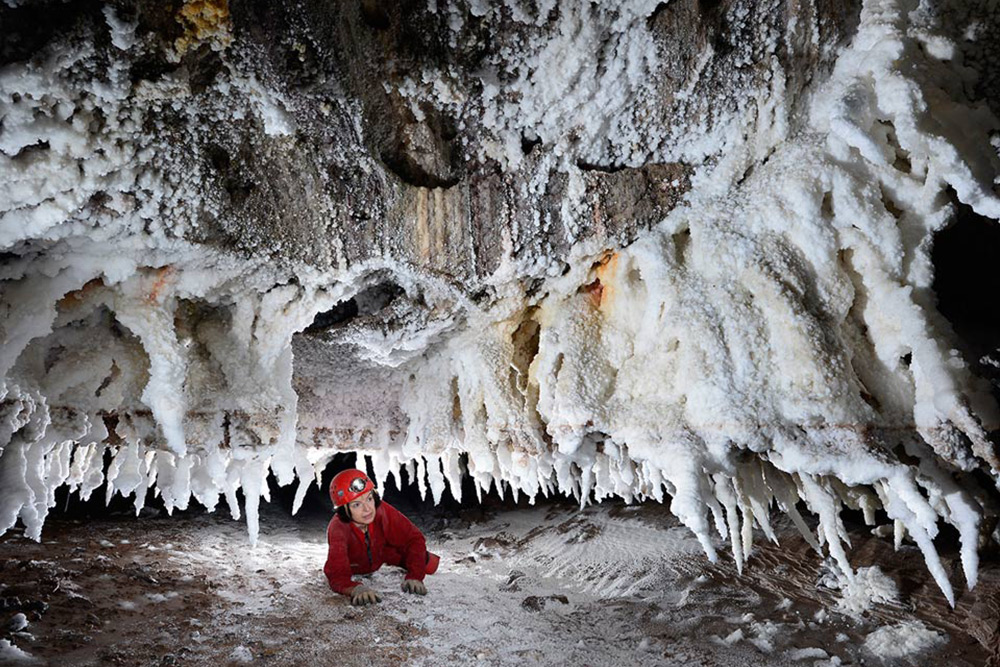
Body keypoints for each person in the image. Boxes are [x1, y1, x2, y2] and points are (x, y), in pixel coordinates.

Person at [323, 468, 440, 606]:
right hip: (355, 564)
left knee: (429, 562)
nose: (367, 509)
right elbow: (336, 574)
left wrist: (415, 576)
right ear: (344, 509)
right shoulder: (338, 528)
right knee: (340, 576)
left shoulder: (382, 511)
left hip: (381, 553)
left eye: (369, 499)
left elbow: (414, 538)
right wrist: (354, 588)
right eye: (356, 504)